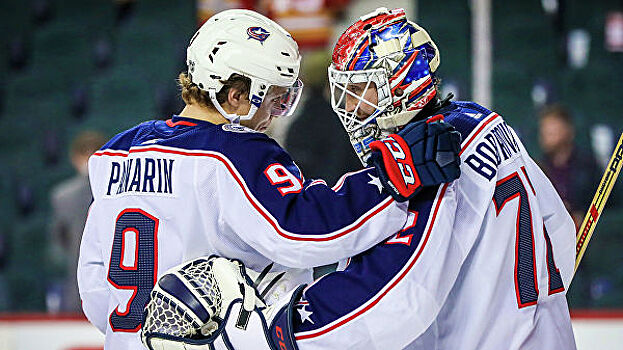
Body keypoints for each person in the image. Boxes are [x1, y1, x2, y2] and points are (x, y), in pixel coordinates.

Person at [141, 7, 577, 350]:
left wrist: (266, 334)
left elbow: (391, 301)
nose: (349, 106)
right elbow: (560, 236)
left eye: (361, 87)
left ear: (403, 81)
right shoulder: (483, 122)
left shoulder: (432, 158)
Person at [77, 9, 460, 350]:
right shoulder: (234, 151)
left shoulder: (117, 153)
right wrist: (394, 174)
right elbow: (301, 229)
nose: (275, 115)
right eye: (274, 100)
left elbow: (96, 292)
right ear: (235, 95)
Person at [48, 130, 107, 312]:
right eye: (85, 152)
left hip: (88, 284)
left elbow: (59, 241)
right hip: (94, 287)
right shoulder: (62, 196)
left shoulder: (62, 195)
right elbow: (59, 241)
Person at [538, 104, 600, 229]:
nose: (546, 137)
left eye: (552, 132)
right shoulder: (539, 168)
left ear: (568, 131)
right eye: (544, 132)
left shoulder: (587, 167)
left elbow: (607, 204)